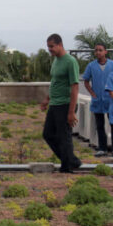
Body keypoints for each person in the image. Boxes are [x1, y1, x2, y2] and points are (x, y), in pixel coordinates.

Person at [40, 34, 81, 173]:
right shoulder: (56, 61)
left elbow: (75, 86)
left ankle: (67, 165)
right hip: (55, 104)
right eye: (48, 47)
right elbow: (55, 82)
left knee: (64, 136)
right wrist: (47, 99)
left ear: (60, 45)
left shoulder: (70, 62)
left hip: (65, 103)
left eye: (51, 46)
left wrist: (71, 112)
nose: (50, 50)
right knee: (48, 134)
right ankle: (71, 160)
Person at [82, 43, 113, 156]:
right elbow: (85, 81)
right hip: (97, 100)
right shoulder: (91, 66)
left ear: (105, 52)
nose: (98, 52)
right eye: (96, 50)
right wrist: (92, 93)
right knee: (99, 125)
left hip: (111, 100)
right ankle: (102, 148)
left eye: (100, 50)